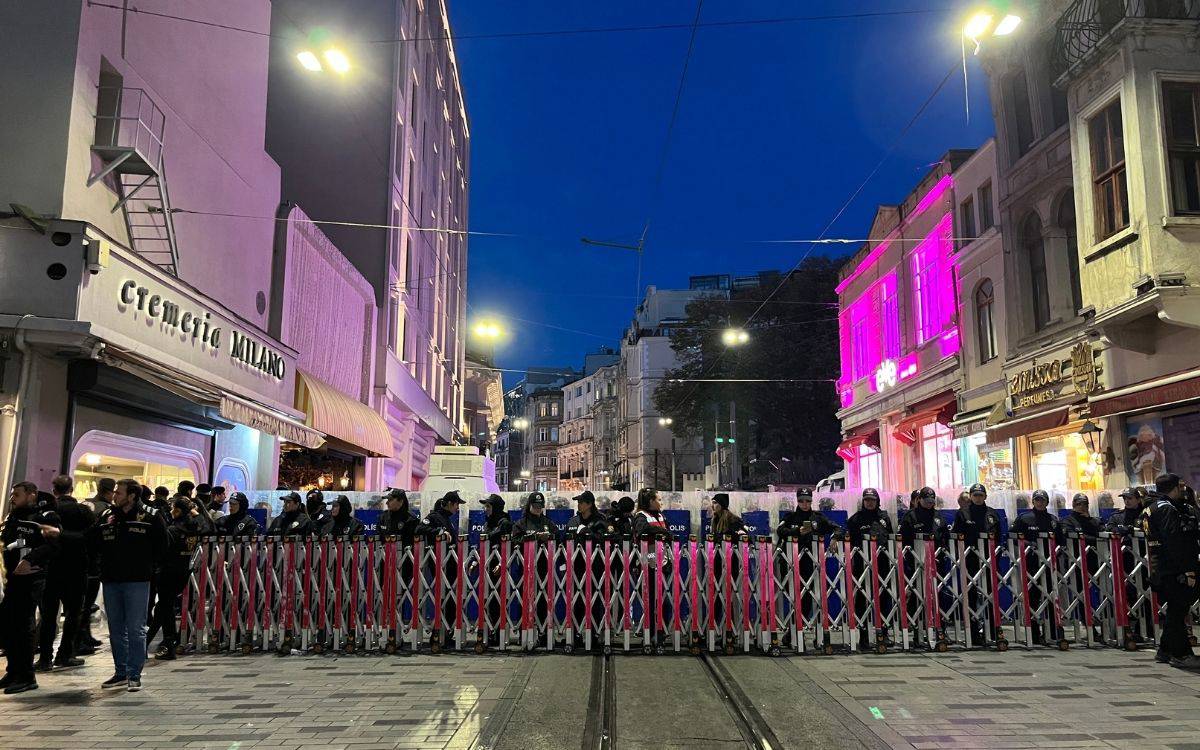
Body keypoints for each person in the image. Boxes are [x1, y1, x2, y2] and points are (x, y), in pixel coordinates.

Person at [90, 478, 169, 692]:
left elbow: (163, 545)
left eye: (119, 492)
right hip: (111, 579)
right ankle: (120, 671)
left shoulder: (151, 517)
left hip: (137, 580)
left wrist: (149, 568)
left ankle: (135, 674)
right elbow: (94, 542)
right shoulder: (108, 516)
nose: (115, 495)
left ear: (132, 495)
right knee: (115, 629)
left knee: (136, 628)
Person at [1, 481, 61, 694]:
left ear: (32, 495)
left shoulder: (45, 518)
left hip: (33, 578)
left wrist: (30, 560)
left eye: (17, 494)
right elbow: (13, 542)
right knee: (8, 624)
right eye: (12, 495)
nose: (12, 498)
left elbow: (53, 544)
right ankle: (14, 670)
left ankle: (27, 676)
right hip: (13, 578)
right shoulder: (14, 517)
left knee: (23, 625)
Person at [1142, 473, 1200, 669]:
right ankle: (1180, 653)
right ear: (1174, 488)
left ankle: (1165, 650)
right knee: (1178, 610)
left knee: (1176, 609)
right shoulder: (1167, 509)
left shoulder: (1151, 508)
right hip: (1173, 568)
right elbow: (1174, 541)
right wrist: (1188, 570)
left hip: (1160, 565)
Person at [37, 474, 93, 671]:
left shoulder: (47, 511)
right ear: (72, 489)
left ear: (54, 490)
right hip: (76, 568)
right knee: (73, 613)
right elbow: (91, 538)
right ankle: (65, 654)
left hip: (51, 567)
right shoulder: (83, 511)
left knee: (48, 615)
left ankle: (44, 657)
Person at [151, 497, 203, 661]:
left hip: (168, 571)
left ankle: (168, 642)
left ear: (178, 511)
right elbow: (208, 526)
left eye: (173, 508)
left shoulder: (173, 530)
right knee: (163, 608)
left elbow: (162, 550)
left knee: (165, 607)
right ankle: (151, 640)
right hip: (184, 571)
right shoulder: (195, 528)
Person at [1010, 489, 1063, 645]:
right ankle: (1033, 633)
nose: (1040, 503)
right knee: (1032, 598)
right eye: (1037, 500)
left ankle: (1053, 632)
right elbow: (1013, 536)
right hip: (1031, 564)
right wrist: (1027, 545)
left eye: (1043, 500)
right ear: (1033, 501)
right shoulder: (1024, 519)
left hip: (1050, 565)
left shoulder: (1053, 520)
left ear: (1047, 502)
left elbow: (1061, 540)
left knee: (1053, 597)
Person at [953, 483, 1003, 645]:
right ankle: (973, 632)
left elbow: (999, 537)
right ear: (971, 497)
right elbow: (956, 535)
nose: (978, 498)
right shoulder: (963, 513)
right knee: (971, 595)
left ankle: (994, 629)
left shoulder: (992, 514)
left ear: (985, 496)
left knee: (991, 593)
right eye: (975, 495)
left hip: (989, 559)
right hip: (970, 559)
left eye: (981, 495)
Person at [846, 488, 894, 649]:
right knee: (860, 599)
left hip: (882, 563)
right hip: (861, 564)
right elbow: (848, 538)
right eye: (866, 500)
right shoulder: (855, 519)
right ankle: (864, 634)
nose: (869, 502)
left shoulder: (884, 518)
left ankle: (884, 632)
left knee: (884, 598)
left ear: (877, 500)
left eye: (872, 500)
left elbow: (891, 538)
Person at [77, 477, 114, 656]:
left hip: (82, 557)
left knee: (84, 601)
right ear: (109, 492)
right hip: (93, 559)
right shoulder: (106, 510)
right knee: (86, 602)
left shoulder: (85, 504)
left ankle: (85, 634)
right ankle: (80, 637)